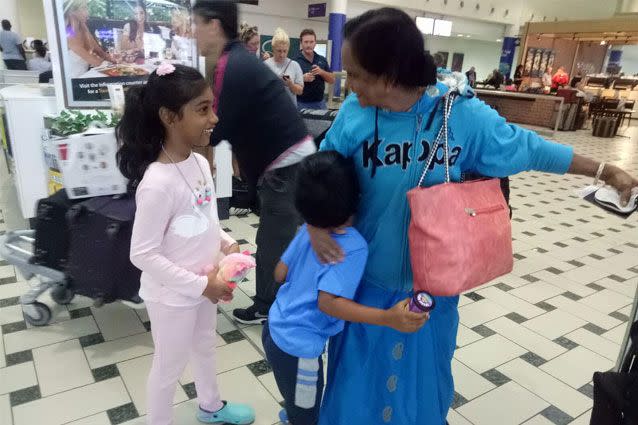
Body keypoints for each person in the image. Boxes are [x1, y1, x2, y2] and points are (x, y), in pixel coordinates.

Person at [304, 8, 638, 425]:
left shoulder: (459, 114)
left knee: (424, 396)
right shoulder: (356, 114)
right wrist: (315, 227)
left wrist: (604, 169)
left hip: (433, 294)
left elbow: (529, 147)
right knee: (355, 395)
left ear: (388, 72)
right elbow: (321, 177)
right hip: (366, 288)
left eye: (356, 74)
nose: (349, 85)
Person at [117, 64, 255, 425]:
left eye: (212, 106)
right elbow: (142, 253)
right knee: (169, 367)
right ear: (168, 117)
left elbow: (206, 218)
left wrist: (226, 244)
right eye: (203, 109)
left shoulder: (197, 161)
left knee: (206, 346)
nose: (215, 116)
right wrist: (201, 286)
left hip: (203, 284)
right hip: (173, 296)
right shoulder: (157, 183)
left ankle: (210, 406)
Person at [263, 150, 428, 425]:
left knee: (294, 394)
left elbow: (280, 273)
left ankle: (294, 409)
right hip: (301, 349)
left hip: (274, 328)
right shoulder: (352, 246)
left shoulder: (308, 229)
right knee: (308, 415)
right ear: (358, 198)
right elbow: (327, 303)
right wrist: (387, 318)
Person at [192, 0, 315, 325]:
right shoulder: (236, 61)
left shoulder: (230, 66)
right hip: (290, 157)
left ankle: (268, 306)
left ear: (214, 26)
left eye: (197, 24)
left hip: (285, 163)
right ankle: (286, 296)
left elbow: (215, 126)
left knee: (274, 236)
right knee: (284, 233)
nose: (194, 33)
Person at [64, 0, 113, 77]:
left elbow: (100, 52)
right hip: (72, 80)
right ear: (72, 12)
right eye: (84, 8)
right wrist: (114, 68)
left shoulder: (83, 28)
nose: (87, 13)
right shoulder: (69, 32)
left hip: (84, 77)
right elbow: (94, 61)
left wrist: (114, 60)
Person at [295, 28, 335, 110]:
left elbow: (332, 80)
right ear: (301, 43)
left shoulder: (322, 59)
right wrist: (302, 78)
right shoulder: (294, 60)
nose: (309, 45)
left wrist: (321, 72)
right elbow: (288, 83)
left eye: (311, 42)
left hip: (320, 103)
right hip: (300, 103)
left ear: (315, 43)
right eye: (306, 42)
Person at [264, 28, 304, 107]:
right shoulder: (265, 65)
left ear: (288, 49)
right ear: (273, 49)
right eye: (279, 51)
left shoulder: (294, 65)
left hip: (290, 110)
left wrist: (290, 85)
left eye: (285, 51)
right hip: (270, 110)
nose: (282, 54)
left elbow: (300, 91)